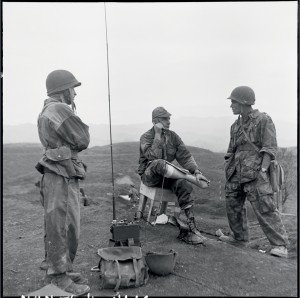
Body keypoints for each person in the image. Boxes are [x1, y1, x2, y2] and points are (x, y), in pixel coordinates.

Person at [35, 69, 90, 295]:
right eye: (72, 90)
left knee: (57, 222)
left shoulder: (48, 109)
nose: (74, 95)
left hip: (56, 171)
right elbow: (83, 138)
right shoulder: (59, 109)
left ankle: (61, 270)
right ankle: (58, 278)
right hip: (61, 173)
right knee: (63, 224)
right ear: (63, 90)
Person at [220, 86, 289, 258]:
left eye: (233, 102)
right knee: (232, 205)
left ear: (244, 102)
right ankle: (240, 238)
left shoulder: (263, 120)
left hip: (257, 171)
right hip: (236, 172)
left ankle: (280, 245)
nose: (231, 106)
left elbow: (270, 148)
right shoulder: (235, 126)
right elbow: (231, 151)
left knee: (265, 207)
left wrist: (263, 171)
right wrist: (228, 167)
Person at [138, 106, 210, 245]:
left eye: (169, 118)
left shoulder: (173, 137)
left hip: (168, 175)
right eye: (165, 119)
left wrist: (196, 171)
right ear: (155, 121)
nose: (169, 121)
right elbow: (153, 156)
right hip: (150, 175)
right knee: (158, 163)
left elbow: (185, 156)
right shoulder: (146, 137)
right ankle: (185, 176)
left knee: (184, 185)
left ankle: (191, 224)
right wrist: (158, 135)